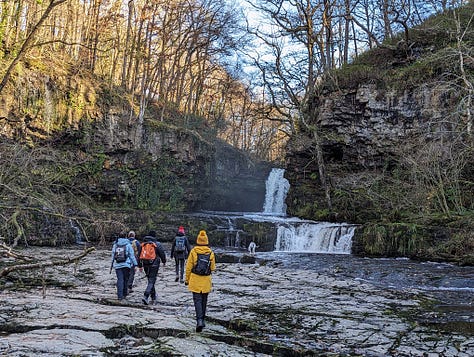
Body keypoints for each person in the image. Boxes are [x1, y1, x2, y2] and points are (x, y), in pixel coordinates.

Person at [185, 230, 216, 332]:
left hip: (195, 280)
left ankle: (199, 321)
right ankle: (202, 319)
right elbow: (213, 268)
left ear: (198, 240)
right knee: (204, 300)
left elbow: (189, 267)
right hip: (206, 280)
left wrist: (187, 280)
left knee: (197, 300)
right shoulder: (210, 253)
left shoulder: (193, 251)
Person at [139, 230, 166, 305]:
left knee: (150, 280)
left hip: (145, 264)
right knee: (152, 280)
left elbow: (139, 255)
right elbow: (162, 253)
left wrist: (140, 265)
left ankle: (153, 296)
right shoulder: (157, 244)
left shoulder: (143, 244)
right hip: (154, 264)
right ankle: (146, 295)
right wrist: (164, 261)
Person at [110, 234, 138, 301]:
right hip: (127, 265)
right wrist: (135, 264)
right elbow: (132, 255)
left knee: (120, 280)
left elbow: (113, 256)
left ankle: (119, 296)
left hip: (117, 265)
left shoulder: (115, 245)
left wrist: (112, 265)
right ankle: (124, 294)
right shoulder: (128, 244)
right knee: (126, 280)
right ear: (126, 237)